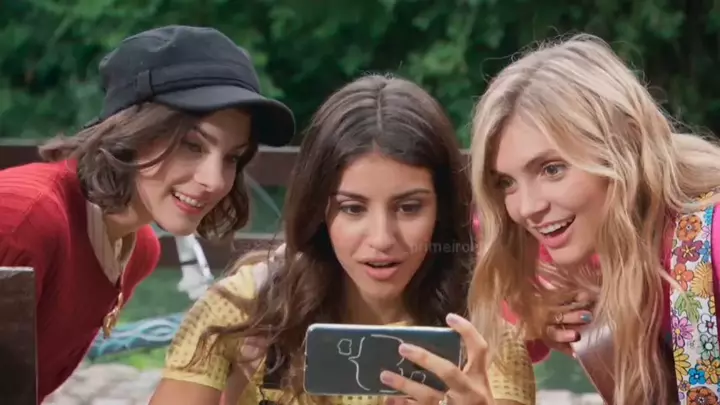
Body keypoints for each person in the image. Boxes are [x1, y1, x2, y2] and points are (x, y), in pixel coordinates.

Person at [149, 74, 536, 405]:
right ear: (318, 209)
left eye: (409, 207)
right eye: (353, 208)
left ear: (443, 209)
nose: (382, 239)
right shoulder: (242, 310)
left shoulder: (487, 344)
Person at [0, 25, 295, 402]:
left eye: (232, 158)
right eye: (192, 145)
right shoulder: (22, 217)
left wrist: (237, 373)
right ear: (133, 129)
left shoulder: (138, 249)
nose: (215, 181)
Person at [467, 32, 720, 404]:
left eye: (552, 169)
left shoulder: (709, 241)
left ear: (625, 145)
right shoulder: (557, 236)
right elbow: (508, 315)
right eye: (506, 182)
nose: (527, 208)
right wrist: (542, 318)